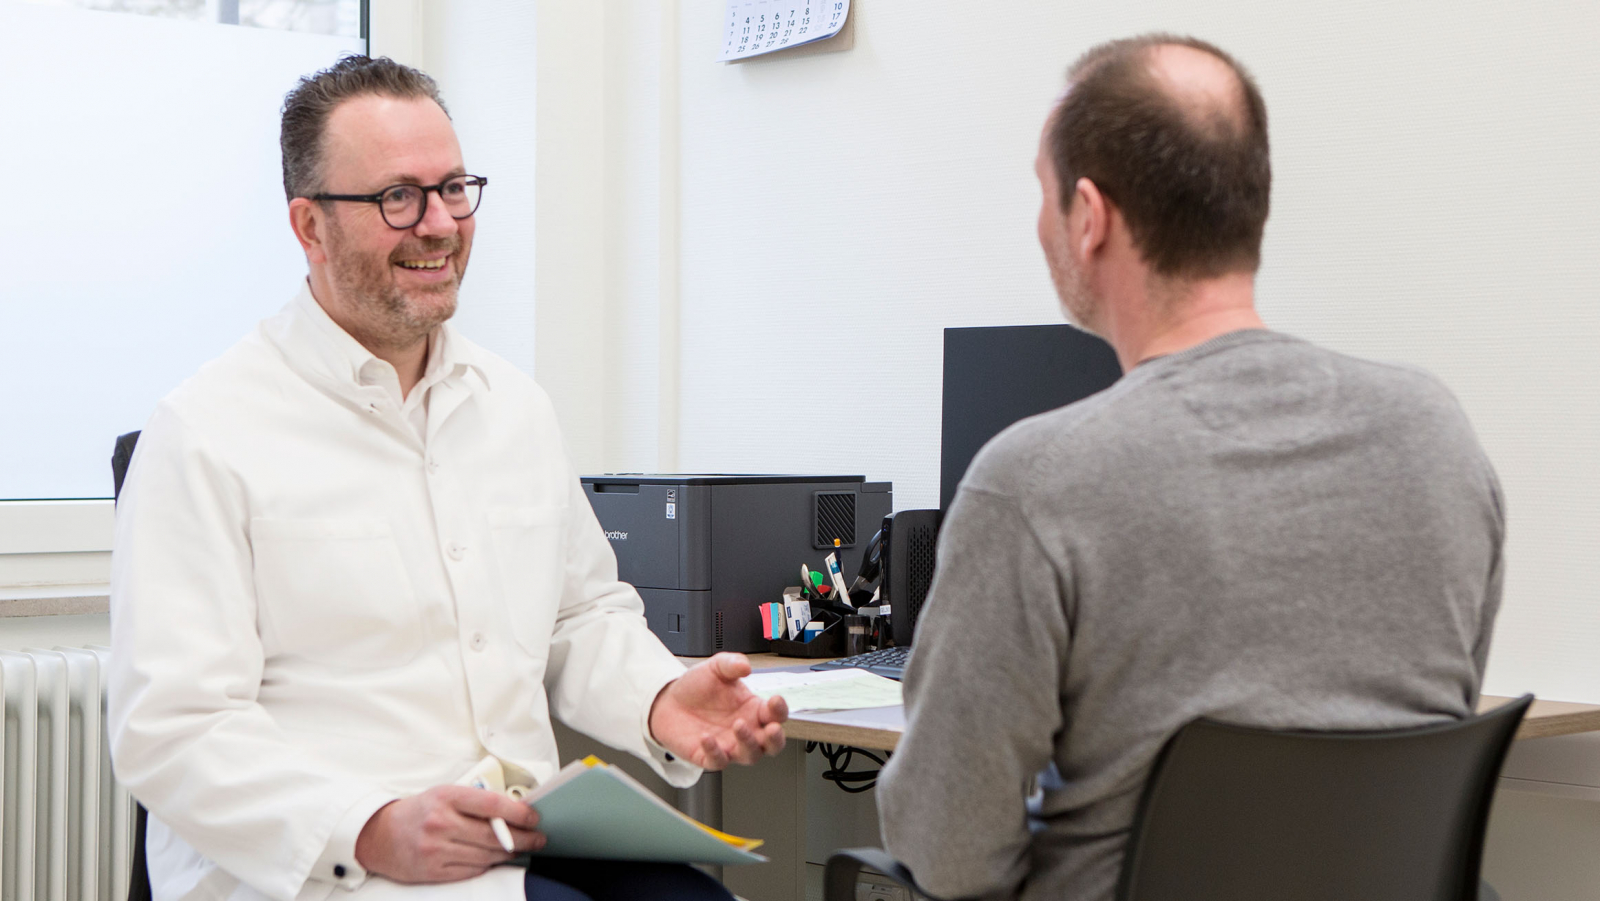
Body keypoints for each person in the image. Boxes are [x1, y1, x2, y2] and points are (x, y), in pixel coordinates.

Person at [108, 56, 786, 901]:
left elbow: (580, 616)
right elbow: (173, 728)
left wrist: (658, 697)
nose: (439, 225)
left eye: (454, 189)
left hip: (516, 833)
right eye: (399, 196)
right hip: (322, 866)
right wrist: (368, 824)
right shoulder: (207, 431)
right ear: (310, 226)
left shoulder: (514, 408)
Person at [876, 34, 1504, 901]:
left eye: (1043, 194)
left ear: (1089, 217)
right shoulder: (1437, 436)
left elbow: (945, 846)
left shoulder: (1035, 481)